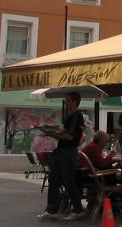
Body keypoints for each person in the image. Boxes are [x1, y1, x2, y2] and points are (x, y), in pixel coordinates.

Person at [37, 91, 86, 222]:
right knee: (53, 179)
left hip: (68, 152)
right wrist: (51, 130)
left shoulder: (77, 116)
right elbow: (64, 132)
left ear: (75, 101)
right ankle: (52, 210)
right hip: (61, 151)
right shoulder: (70, 116)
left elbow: (70, 136)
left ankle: (78, 210)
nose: (66, 103)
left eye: (68, 100)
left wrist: (52, 134)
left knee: (68, 181)